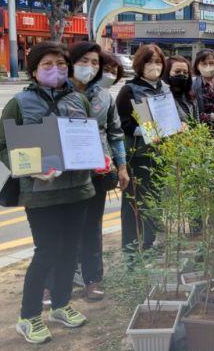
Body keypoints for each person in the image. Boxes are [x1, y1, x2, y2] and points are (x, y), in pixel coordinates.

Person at [0, 41, 93, 344]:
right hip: (40, 193)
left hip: (77, 190)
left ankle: (61, 305)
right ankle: (29, 316)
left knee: (70, 251)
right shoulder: (19, 103)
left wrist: (98, 157)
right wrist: (28, 167)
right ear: (34, 70)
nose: (56, 70)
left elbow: (89, 136)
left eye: (61, 65)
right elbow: (1, 146)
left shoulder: (79, 99)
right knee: (46, 252)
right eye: (47, 65)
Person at [68, 43, 130, 302]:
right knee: (62, 227)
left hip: (98, 170)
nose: (91, 68)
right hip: (65, 172)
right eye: (85, 61)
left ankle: (93, 280)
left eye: (95, 63)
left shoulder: (104, 96)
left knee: (92, 226)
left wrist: (122, 166)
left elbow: (115, 133)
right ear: (70, 62)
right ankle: (55, 280)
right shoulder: (57, 93)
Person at [115, 44, 169, 254]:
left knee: (154, 201)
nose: (154, 66)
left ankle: (150, 243)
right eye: (149, 61)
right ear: (140, 63)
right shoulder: (129, 89)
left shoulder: (164, 88)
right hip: (137, 156)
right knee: (133, 205)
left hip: (160, 154)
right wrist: (146, 131)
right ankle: (131, 249)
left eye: (158, 61)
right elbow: (121, 124)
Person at [191, 49, 214, 124]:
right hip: (203, 131)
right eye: (204, 64)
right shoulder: (193, 86)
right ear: (197, 66)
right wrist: (210, 117)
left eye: (211, 63)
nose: (208, 67)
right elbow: (191, 114)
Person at [164, 55, 199, 122]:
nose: (182, 74)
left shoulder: (191, 96)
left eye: (185, 72)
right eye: (177, 72)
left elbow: (197, 122)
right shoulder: (162, 98)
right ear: (167, 73)